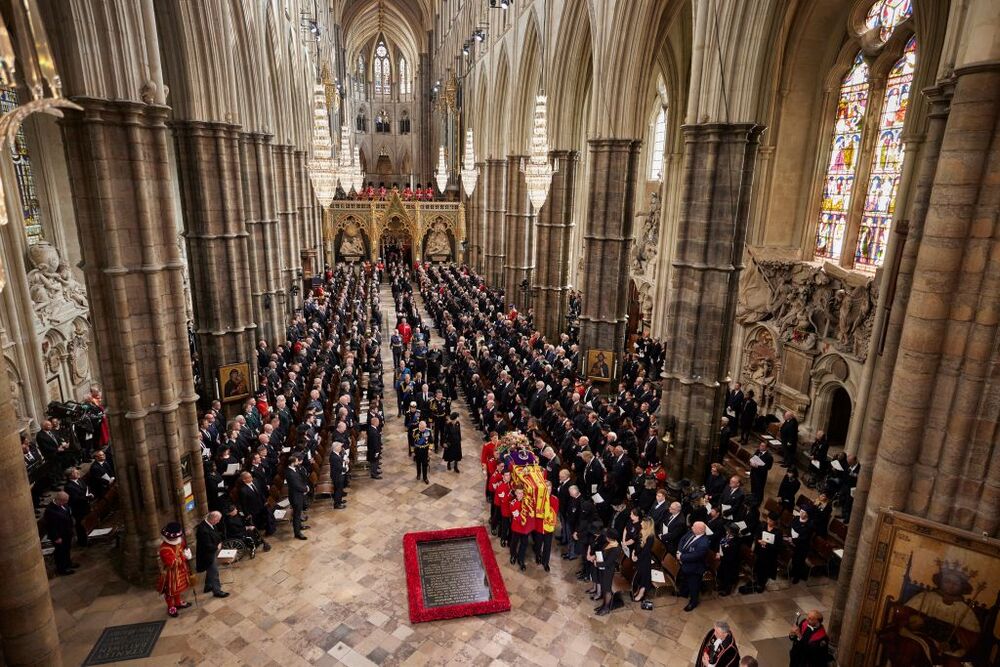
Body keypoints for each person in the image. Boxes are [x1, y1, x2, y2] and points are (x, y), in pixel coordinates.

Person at [157, 522, 192, 617]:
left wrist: (186, 551)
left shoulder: (179, 541)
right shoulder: (164, 548)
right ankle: (171, 607)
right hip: (171, 573)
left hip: (181, 570)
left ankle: (177, 603)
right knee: (170, 591)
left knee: (178, 589)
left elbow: (183, 546)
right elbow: (171, 563)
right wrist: (184, 557)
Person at [677, 521, 711, 611]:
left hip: (695, 568)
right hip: (685, 564)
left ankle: (693, 602)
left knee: (694, 586)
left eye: (694, 527)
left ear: (700, 530)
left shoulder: (703, 543)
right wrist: (679, 551)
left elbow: (695, 556)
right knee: (685, 580)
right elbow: (682, 539)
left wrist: (681, 556)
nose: (691, 527)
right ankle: (683, 593)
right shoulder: (691, 532)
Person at [195, 511, 229, 598]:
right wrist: (217, 547)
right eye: (217, 520)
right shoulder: (203, 529)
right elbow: (207, 545)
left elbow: (215, 534)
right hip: (207, 555)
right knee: (214, 572)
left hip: (212, 552)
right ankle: (217, 591)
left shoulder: (211, 524)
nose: (218, 522)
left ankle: (208, 586)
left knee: (211, 570)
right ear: (213, 519)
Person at [43, 492, 77, 575]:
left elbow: (68, 515)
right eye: (65, 501)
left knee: (67, 549)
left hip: (66, 532)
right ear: (59, 500)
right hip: (59, 536)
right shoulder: (50, 510)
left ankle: (68, 563)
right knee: (60, 552)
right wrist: (56, 537)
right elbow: (50, 526)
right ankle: (62, 569)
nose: (66, 503)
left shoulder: (63, 504)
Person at [594, 529, 622, 616]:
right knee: (604, 587)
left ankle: (606, 608)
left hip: (608, 571)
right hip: (603, 569)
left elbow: (608, 563)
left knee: (607, 589)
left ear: (610, 538)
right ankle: (603, 605)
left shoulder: (616, 549)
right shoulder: (609, 543)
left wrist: (597, 563)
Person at [64, 467, 93, 547]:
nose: (78, 473)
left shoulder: (80, 480)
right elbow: (75, 498)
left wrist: (89, 494)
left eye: (77, 472)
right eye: (75, 473)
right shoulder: (69, 486)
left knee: (87, 523)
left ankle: (89, 537)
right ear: (70, 476)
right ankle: (83, 542)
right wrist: (87, 497)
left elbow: (86, 488)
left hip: (85, 505)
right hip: (78, 509)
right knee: (80, 525)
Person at [630, 517, 655, 603]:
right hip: (638, 555)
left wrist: (637, 557)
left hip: (644, 558)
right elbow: (636, 543)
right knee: (637, 574)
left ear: (647, 525)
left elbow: (646, 551)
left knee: (644, 575)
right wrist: (633, 552)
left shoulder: (651, 537)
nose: (640, 524)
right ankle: (638, 589)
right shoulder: (641, 531)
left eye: (642, 523)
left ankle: (641, 592)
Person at [508, 486, 532, 571]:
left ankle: (521, 559)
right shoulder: (513, 503)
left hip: (525, 528)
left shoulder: (527, 502)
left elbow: (530, 511)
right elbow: (517, 516)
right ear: (515, 493)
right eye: (518, 493)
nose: (520, 495)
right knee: (514, 542)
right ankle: (513, 555)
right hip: (517, 527)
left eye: (522, 493)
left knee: (524, 544)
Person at [285, 454, 309, 539]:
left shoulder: (295, 469)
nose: (298, 462)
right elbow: (296, 485)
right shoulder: (290, 473)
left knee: (299, 513)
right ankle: (297, 533)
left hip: (299, 494)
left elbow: (301, 479)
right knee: (296, 515)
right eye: (296, 461)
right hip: (295, 496)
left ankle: (300, 526)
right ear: (292, 462)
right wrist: (305, 489)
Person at [330, 441, 347, 508]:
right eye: (340, 447)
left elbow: (339, 462)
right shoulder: (334, 457)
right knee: (338, 490)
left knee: (339, 489)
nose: (341, 448)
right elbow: (338, 467)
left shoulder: (336, 454)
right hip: (337, 476)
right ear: (336, 447)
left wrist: (344, 461)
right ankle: (337, 504)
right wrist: (345, 469)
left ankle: (339, 500)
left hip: (338, 474)